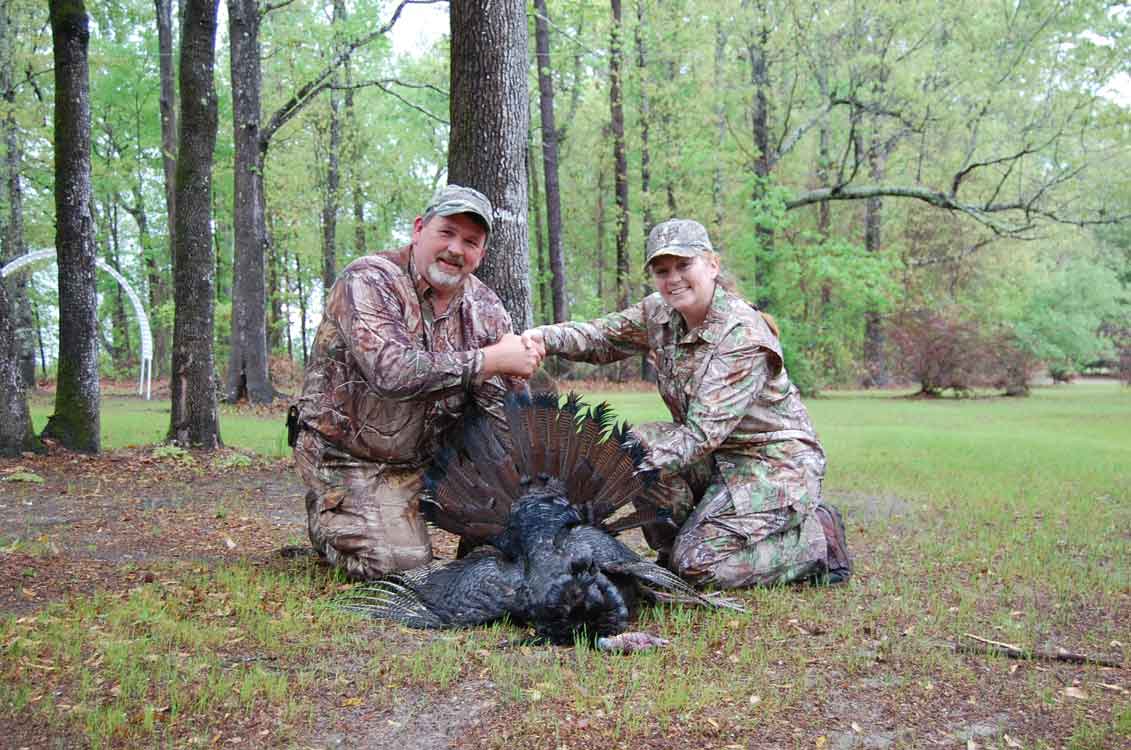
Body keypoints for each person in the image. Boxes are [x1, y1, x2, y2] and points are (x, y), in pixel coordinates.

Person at [522, 218, 851, 589]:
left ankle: (816, 540)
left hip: (774, 464)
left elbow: (698, 436)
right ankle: (676, 549)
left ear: (712, 265)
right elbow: (601, 336)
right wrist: (541, 339)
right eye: (662, 270)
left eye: (683, 265)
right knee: (636, 446)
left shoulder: (740, 335)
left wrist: (603, 481)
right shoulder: (659, 313)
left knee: (698, 567)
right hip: (717, 461)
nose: (673, 278)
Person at [291, 185, 542, 580]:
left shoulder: (487, 307)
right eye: (446, 233)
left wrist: (531, 482)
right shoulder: (369, 280)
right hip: (354, 455)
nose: (456, 249)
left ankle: (474, 539)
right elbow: (392, 372)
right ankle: (332, 513)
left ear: (482, 253)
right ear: (419, 229)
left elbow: (505, 411)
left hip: (429, 457)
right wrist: (490, 359)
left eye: (471, 241)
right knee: (402, 566)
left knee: (526, 524)